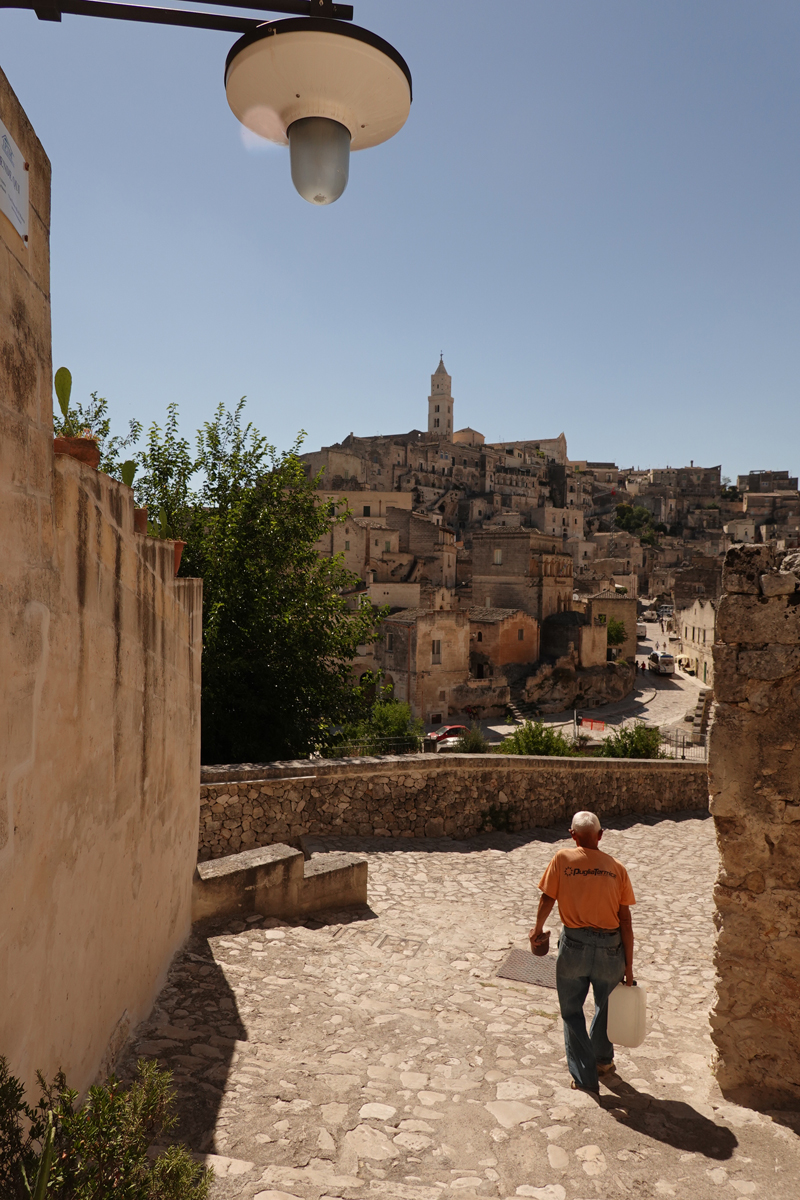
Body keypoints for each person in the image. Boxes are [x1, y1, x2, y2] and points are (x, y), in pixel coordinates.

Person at [529, 811, 635, 1095]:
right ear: (600, 836)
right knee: (607, 1004)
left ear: (572, 834)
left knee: (572, 1011)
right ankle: (602, 1061)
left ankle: (584, 1076)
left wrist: (537, 930)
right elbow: (625, 920)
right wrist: (629, 966)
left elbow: (547, 897)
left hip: (574, 945)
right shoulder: (617, 868)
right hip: (611, 948)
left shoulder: (563, 859)